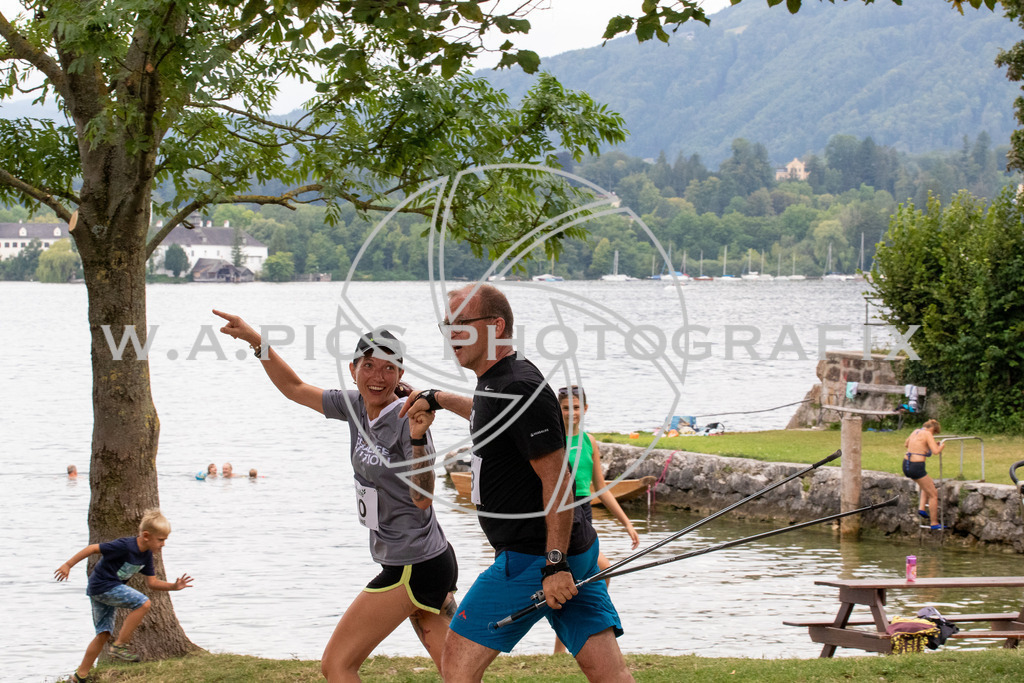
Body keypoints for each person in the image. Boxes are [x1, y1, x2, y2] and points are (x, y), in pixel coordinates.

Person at [400, 284, 632, 683]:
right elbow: (488, 416)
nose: (451, 335)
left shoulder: (518, 385)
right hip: (567, 551)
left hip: (534, 559)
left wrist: (554, 566)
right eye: (446, 325)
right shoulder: (496, 382)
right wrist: (436, 397)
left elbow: (557, 481)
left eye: (461, 325)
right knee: (610, 675)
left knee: (456, 664)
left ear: (495, 326)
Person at [214, 310, 457, 682]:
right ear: (353, 368)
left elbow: (423, 499)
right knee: (457, 672)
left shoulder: (408, 418)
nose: (378, 377)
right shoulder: (354, 406)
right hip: (419, 557)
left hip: (414, 563)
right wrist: (256, 342)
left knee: (337, 665)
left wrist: (419, 438)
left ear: (400, 375)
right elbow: (295, 388)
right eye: (369, 366)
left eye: (389, 368)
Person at [54, 509, 193, 682]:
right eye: (161, 540)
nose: (163, 544)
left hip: (103, 589)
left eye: (165, 540)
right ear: (146, 535)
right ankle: (120, 645)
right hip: (102, 586)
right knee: (143, 603)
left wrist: (173, 586)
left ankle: (79, 676)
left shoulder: (146, 556)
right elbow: (92, 549)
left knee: (103, 633)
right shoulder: (125, 546)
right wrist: (68, 565)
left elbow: (152, 583)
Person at [554, 385, 639, 654]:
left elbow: (600, 488)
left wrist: (626, 522)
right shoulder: (554, 440)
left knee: (589, 577)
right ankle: (569, 645)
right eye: (566, 407)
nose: (572, 412)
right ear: (558, 409)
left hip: (585, 513)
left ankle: (570, 646)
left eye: (577, 407)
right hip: (563, 512)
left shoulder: (590, 442)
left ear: (585, 409)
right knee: (594, 573)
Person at [903, 419, 946, 529]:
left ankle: (922, 508)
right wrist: (941, 446)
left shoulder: (915, 431)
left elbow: (906, 444)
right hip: (916, 466)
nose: (933, 435)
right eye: (934, 433)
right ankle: (934, 523)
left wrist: (926, 446)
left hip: (906, 464)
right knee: (933, 494)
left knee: (927, 484)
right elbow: (936, 451)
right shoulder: (927, 434)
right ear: (932, 429)